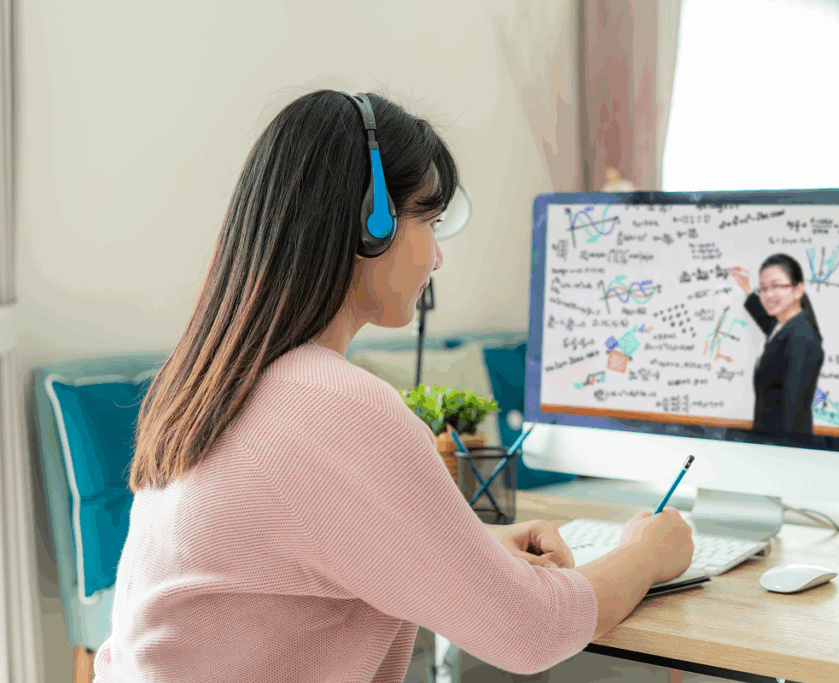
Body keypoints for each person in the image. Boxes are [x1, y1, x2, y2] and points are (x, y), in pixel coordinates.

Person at [91, 89, 695, 683]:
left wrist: (469, 552)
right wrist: (645, 554)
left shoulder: (212, 379)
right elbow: (529, 631)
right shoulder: (332, 405)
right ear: (371, 223)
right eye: (429, 220)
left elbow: (279, 552)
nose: (436, 257)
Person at [730, 254, 824, 434]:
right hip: (768, 442)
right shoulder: (783, 327)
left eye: (777, 286)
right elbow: (765, 320)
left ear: (798, 290)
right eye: (763, 288)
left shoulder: (800, 338)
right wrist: (747, 289)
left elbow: (794, 411)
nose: (768, 295)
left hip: (781, 449)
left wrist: (781, 453)